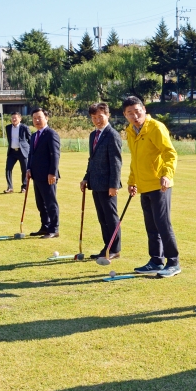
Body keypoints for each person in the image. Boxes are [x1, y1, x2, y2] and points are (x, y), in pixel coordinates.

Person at [123, 96, 181, 278]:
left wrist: (166, 174)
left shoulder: (156, 127)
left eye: (137, 111)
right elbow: (135, 159)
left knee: (163, 224)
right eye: (129, 113)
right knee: (151, 225)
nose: (134, 116)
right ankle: (156, 260)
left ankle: (173, 262)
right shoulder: (130, 131)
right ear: (125, 115)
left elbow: (169, 153)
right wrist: (132, 181)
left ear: (144, 109)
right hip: (143, 185)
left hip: (159, 184)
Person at [80, 103, 124, 260]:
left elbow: (116, 162)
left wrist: (113, 185)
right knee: (102, 218)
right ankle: (107, 246)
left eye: (100, 116)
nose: (97, 120)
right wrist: (86, 177)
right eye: (94, 117)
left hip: (108, 185)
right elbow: (91, 160)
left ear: (108, 115)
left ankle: (115, 249)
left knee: (111, 217)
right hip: (95, 183)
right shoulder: (94, 135)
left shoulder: (112, 135)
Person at [26, 108, 61, 239]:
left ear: (46, 118)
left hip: (48, 176)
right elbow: (31, 155)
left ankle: (54, 229)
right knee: (41, 203)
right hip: (36, 175)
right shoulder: (34, 135)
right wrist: (28, 168)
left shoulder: (51, 134)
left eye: (39, 117)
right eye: (34, 118)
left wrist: (52, 172)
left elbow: (55, 155)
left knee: (50, 203)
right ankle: (45, 226)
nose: (37, 120)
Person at [4, 112, 30, 193]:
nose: (14, 119)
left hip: (22, 152)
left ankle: (24, 187)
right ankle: (10, 187)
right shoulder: (8, 127)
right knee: (8, 169)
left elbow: (30, 139)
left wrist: (30, 150)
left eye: (15, 118)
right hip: (12, 152)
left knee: (24, 170)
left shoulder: (24, 127)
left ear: (20, 119)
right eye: (12, 118)